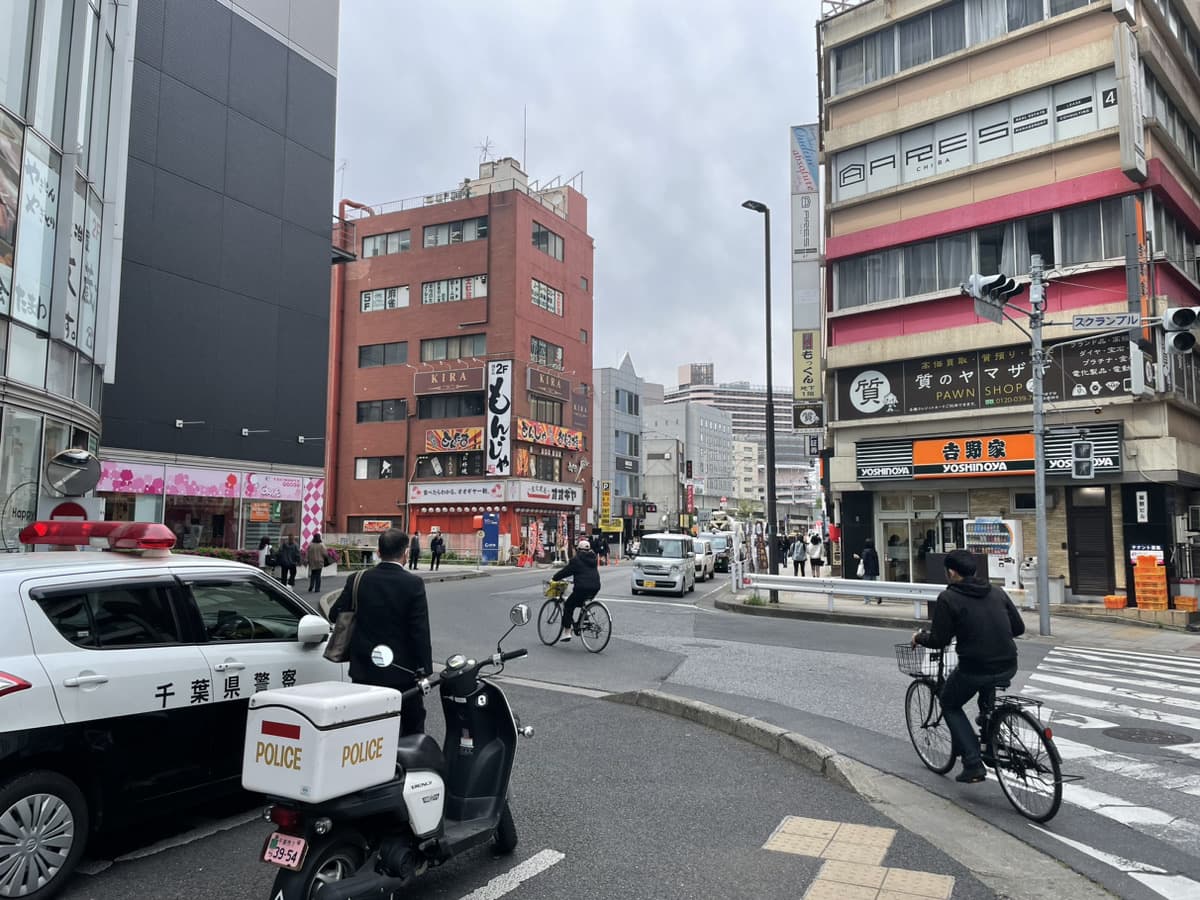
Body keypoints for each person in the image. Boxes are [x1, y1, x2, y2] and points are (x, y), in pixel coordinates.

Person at [912, 549, 1025, 785]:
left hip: (975, 667)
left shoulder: (949, 598)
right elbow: (1018, 628)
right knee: (988, 690)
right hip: (1008, 663)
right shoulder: (996, 591)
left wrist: (919, 637)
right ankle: (989, 731)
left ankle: (973, 763)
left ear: (952, 572)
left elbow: (939, 640)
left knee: (949, 702)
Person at [329, 528, 433, 735]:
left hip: (364, 668)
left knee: (366, 723)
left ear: (378, 551)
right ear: (405, 553)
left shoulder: (357, 579)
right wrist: (425, 669)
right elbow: (419, 631)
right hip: (402, 671)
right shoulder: (412, 583)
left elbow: (335, 614)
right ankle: (407, 765)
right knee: (411, 726)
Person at [550, 538, 600, 642]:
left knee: (568, 605)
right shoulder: (594, 559)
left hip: (581, 588)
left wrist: (554, 578)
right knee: (582, 602)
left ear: (578, 550)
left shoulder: (576, 560)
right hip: (595, 587)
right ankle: (584, 618)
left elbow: (565, 571)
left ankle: (567, 632)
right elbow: (586, 573)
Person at [854, 538, 881, 604]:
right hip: (874, 572)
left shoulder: (865, 551)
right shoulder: (874, 552)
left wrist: (858, 557)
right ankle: (878, 597)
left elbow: (864, 561)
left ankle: (867, 600)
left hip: (867, 571)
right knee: (873, 586)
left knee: (866, 586)